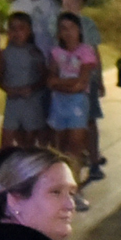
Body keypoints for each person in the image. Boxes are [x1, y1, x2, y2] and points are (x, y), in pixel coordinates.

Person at [58, 0, 106, 182]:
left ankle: (94, 160)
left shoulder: (87, 24)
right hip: (63, 80)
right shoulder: (57, 22)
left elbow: (94, 52)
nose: (72, 1)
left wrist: (100, 78)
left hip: (87, 80)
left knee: (90, 119)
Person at [46, 12, 98, 166]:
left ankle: (75, 181)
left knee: (75, 145)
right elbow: (50, 80)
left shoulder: (86, 51)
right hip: (58, 102)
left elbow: (82, 82)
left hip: (77, 103)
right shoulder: (56, 52)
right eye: (63, 28)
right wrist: (70, 83)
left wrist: (60, 83)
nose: (68, 32)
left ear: (79, 30)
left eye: (72, 28)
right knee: (59, 147)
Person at [0, 11, 47, 148]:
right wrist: (7, 88)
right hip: (12, 103)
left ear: (29, 31)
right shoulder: (4, 54)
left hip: (31, 102)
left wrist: (31, 88)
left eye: (21, 28)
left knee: (28, 141)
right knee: (6, 140)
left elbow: (44, 77)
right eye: (12, 28)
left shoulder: (34, 53)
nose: (16, 33)